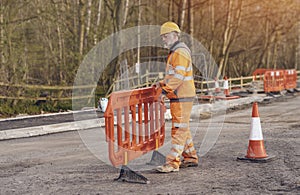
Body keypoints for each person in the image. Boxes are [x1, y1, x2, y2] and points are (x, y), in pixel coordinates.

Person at [155, 21, 198, 173]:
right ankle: (190, 157)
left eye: (165, 36)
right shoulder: (176, 52)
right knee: (183, 127)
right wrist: (162, 83)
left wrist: (164, 90)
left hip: (182, 96)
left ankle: (172, 163)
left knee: (179, 129)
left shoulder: (179, 52)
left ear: (175, 35)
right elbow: (174, 75)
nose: (164, 40)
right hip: (181, 95)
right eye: (163, 37)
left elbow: (178, 76)